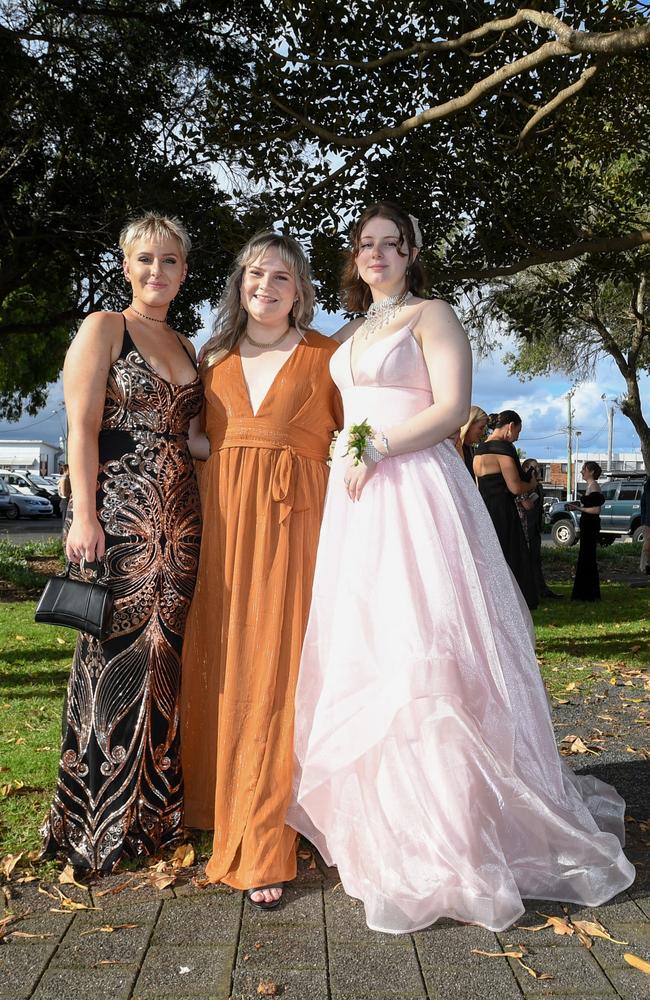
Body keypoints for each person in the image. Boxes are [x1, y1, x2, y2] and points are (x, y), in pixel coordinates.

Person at [288, 201, 634, 935]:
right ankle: (385, 827)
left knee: (429, 646)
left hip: (414, 492)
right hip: (356, 506)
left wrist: (377, 446)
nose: (377, 254)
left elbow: (452, 410)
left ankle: (456, 826)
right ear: (354, 258)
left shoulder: (432, 315)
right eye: (365, 245)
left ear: (411, 253)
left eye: (391, 244)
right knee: (370, 649)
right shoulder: (349, 333)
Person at [180, 232, 343, 910]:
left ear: (300, 289)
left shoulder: (329, 357)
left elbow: (360, 436)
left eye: (281, 276)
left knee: (279, 674)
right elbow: (192, 434)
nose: (266, 286)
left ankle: (267, 836)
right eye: (254, 275)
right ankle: (221, 807)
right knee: (223, 669)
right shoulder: (210, 355)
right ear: (238, 286)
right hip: (222, 532)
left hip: (295, 532)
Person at [41, 213, 203, 873]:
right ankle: (96, 820)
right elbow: (81, 427)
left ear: (185, 271)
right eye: (145, 260)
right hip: (118, 517)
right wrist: (83, 515)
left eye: (169, 261)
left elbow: (190, 438)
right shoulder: (105, 328)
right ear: (126, 263)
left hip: (182, 525)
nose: (157, 272)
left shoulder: (190, 344)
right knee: (110, 663)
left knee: (164, 664)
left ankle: (155, 815)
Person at [473, 412, 539, 609]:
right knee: (509, 556)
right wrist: (532, 485)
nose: (517, 437)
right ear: (510, 426)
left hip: (482, 509)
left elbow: (477, 486)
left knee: (489, 558)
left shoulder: (479, 450)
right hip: (502, 511)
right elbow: (515, 487)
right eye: (518, 431)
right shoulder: (503, 449)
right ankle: (511, 602)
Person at [520, 458, 562, 600]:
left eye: (538, 468)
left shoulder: (538, 486)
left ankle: (541, 588)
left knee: (536, 560)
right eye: (533, 468)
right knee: (528, 560)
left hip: (536, 526)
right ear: (525, 469)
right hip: (526, 527)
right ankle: (533, 590)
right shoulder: (524, 485)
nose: (536, 471)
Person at [569, 461, 605, 601]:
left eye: (584, 469)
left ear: (591, 471)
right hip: (588, 524)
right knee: (586, 557)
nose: (582, 471)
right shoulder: (591, 486)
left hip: (591, 525)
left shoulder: (594, 486)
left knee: (587, 557)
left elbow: (596, 509)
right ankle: (587, 592)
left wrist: (578, 509)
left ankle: (587, 593)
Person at [456, 404, 488, 477]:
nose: (483, 432)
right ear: (469, 425)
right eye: (481, 428)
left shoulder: (472, 450)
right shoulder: (454, 448)